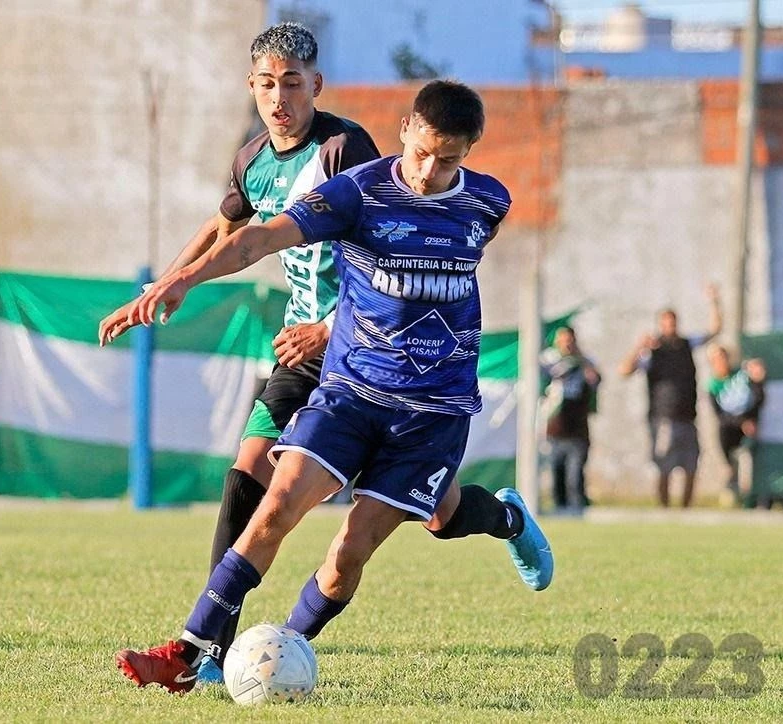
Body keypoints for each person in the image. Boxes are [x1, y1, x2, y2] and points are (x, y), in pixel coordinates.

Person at [100, 23, 535, 684]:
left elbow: (412, 285)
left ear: (469, 154)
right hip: (346, 384)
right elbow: (247, 236)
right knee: (263, 495)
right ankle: (196, 652)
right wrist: (174, 282)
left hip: (429, 411)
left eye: (446, 161)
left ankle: (501, 519)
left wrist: (334, 323)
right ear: (406, 130)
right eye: (421, 152)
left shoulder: (478, 200)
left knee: (367, 545)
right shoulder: (346, 186)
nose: (427, 171)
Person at [618, 285, 722, 507]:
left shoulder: (687, 344)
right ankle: (665, 509)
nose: (670, 327)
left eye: (673, 322)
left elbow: (714, 330)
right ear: (660, 324)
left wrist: (714, 301)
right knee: (664, 466)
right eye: (665, 323)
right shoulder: (652, 351)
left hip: (687, 416)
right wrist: (639, 347)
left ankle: (685, 509)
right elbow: (624, 370)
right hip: (662, 418)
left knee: (691, 465)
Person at [540, 325, 600, 512]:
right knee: (557, 470)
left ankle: (577, 508)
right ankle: (560, 508)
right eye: (562, 340)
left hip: (577, 427)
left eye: (569, 340)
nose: (566, 344)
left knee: (575, 473)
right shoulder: (549, 360)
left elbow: (595, 379)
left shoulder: (584, 361)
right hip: (555, 425)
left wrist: (579, 358)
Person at [706, 345, 766, 506]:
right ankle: (731, 494)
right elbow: (719, 416)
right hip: (728, 431)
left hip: (748, 430)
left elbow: (758, 394)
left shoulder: (741, 376)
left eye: (723, 357)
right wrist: (741, 422)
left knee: (748, 462)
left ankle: (751, 499)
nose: (721, 362)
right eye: (716, 359)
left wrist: (759, 377)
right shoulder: (713, 385)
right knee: (728, 466)